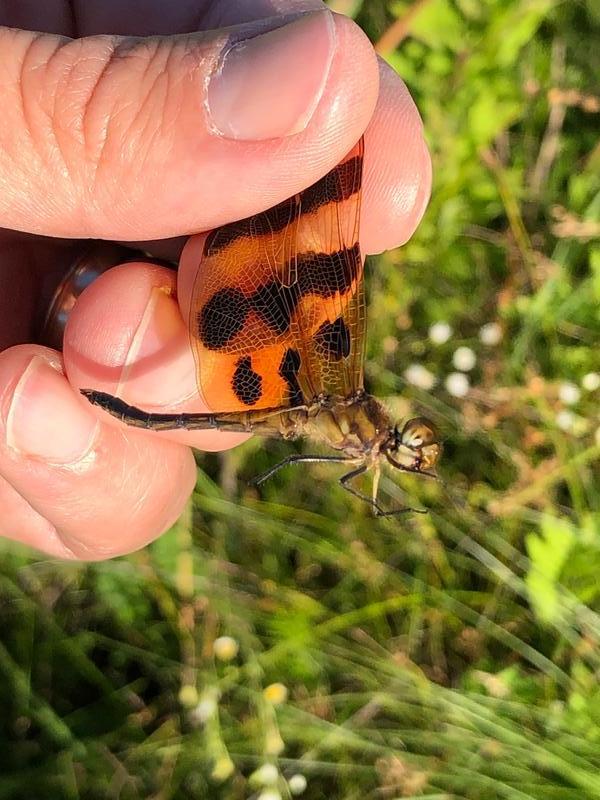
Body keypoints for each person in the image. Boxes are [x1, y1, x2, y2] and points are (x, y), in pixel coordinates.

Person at [0, 0, 432, 559]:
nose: (395, 454)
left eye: (402, 453)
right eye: (404, 450)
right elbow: (309, 459)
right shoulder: (342, 392)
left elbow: (315, 461)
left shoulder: (345, 410)